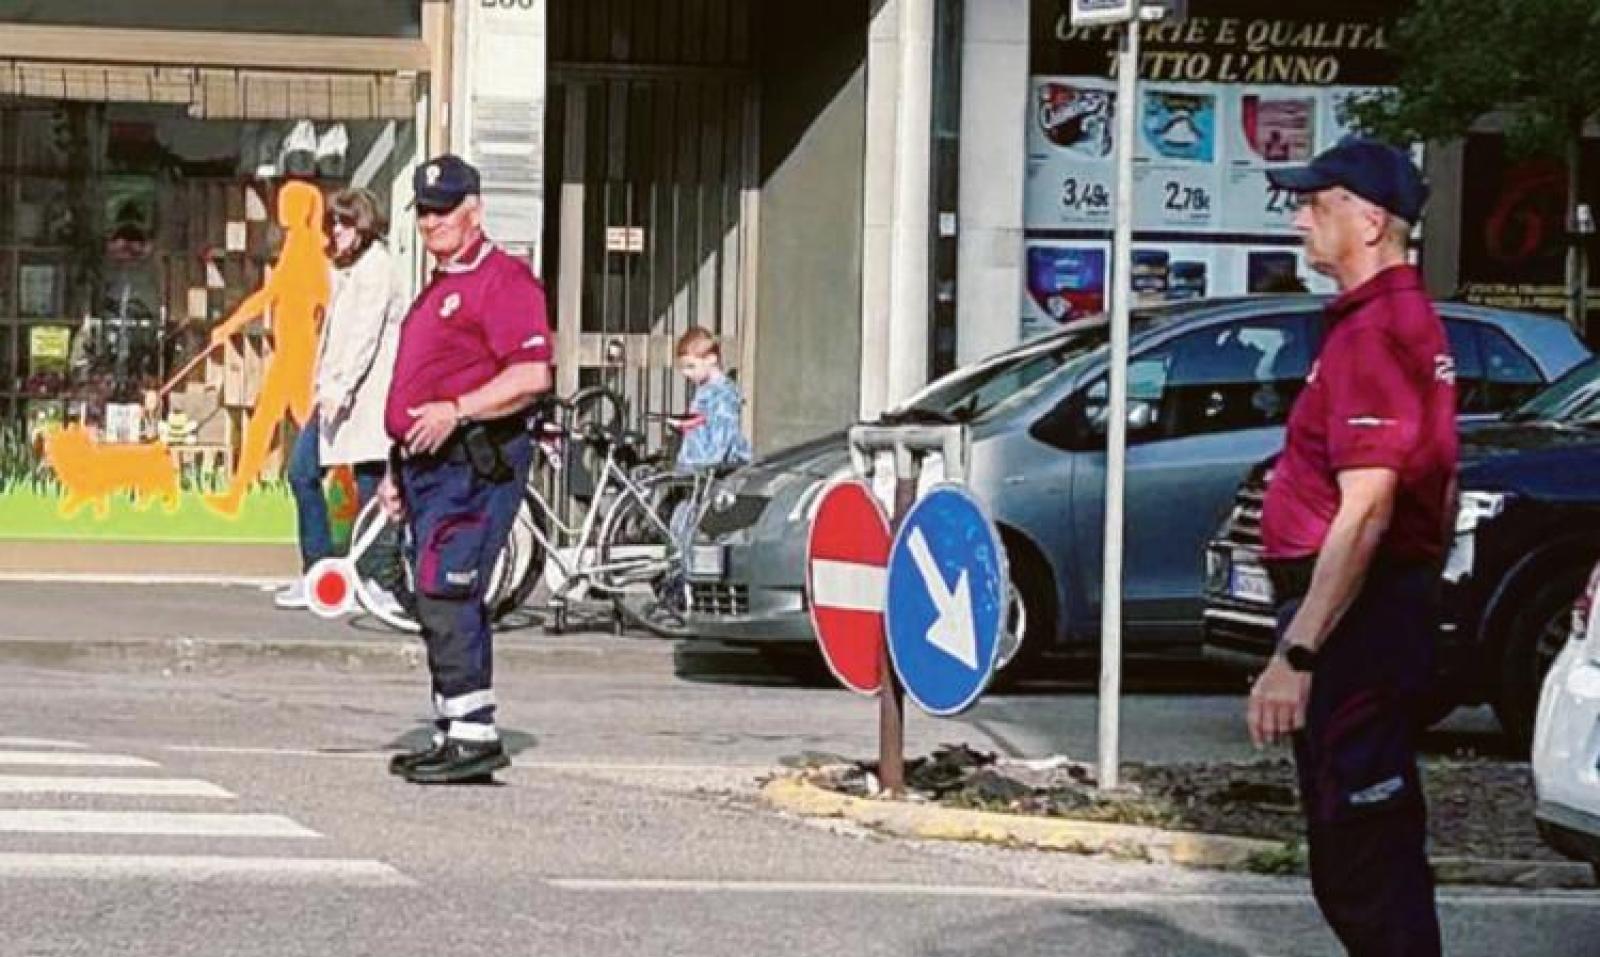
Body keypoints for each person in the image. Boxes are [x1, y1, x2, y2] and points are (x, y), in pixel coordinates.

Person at [1252, 136, 1454, 956]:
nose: (1299, 220)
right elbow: (1434, 486)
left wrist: (1297, 654)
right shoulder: (1383, 324)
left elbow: (1368, 508)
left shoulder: (1378, 335)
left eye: (1315, 203)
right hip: (1371, 613)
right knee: (1364, 847)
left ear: (1369, 221)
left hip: (1354, 625)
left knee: (1362, 853)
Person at [379, 156, 553, 784]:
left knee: (447, 589)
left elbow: (530, 375)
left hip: (473, 466)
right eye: (424, 212)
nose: (431, 223)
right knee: (432, 596)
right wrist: (398, 469)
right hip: (429, 468)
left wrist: (457, 410)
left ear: (474, 211)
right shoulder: (441, 283)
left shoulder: (502, 280)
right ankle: (452, 728)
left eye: (444, 210)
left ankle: (475, 735)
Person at [276, 188, 405, 613]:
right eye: (333, 222)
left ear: (364, 225)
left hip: (365, 397)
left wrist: (340, 386)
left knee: (370, 485)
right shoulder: (348, 268)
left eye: (345, 222)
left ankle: (377, 580)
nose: (336, 230)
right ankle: (319, 572)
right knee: (304, 472)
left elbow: (364, 334)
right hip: (338, 394)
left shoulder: (377, 267)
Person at [647, 328, 752, 627]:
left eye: (691, 366)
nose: (687, 374)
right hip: (694, 469)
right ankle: (678, 586)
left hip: (707, 471)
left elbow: (722, 437)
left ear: (712, 359)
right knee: (680, 524)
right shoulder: (708, 391)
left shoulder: (723, 394)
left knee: (688, 528)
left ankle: (682, 589)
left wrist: (707, 465)